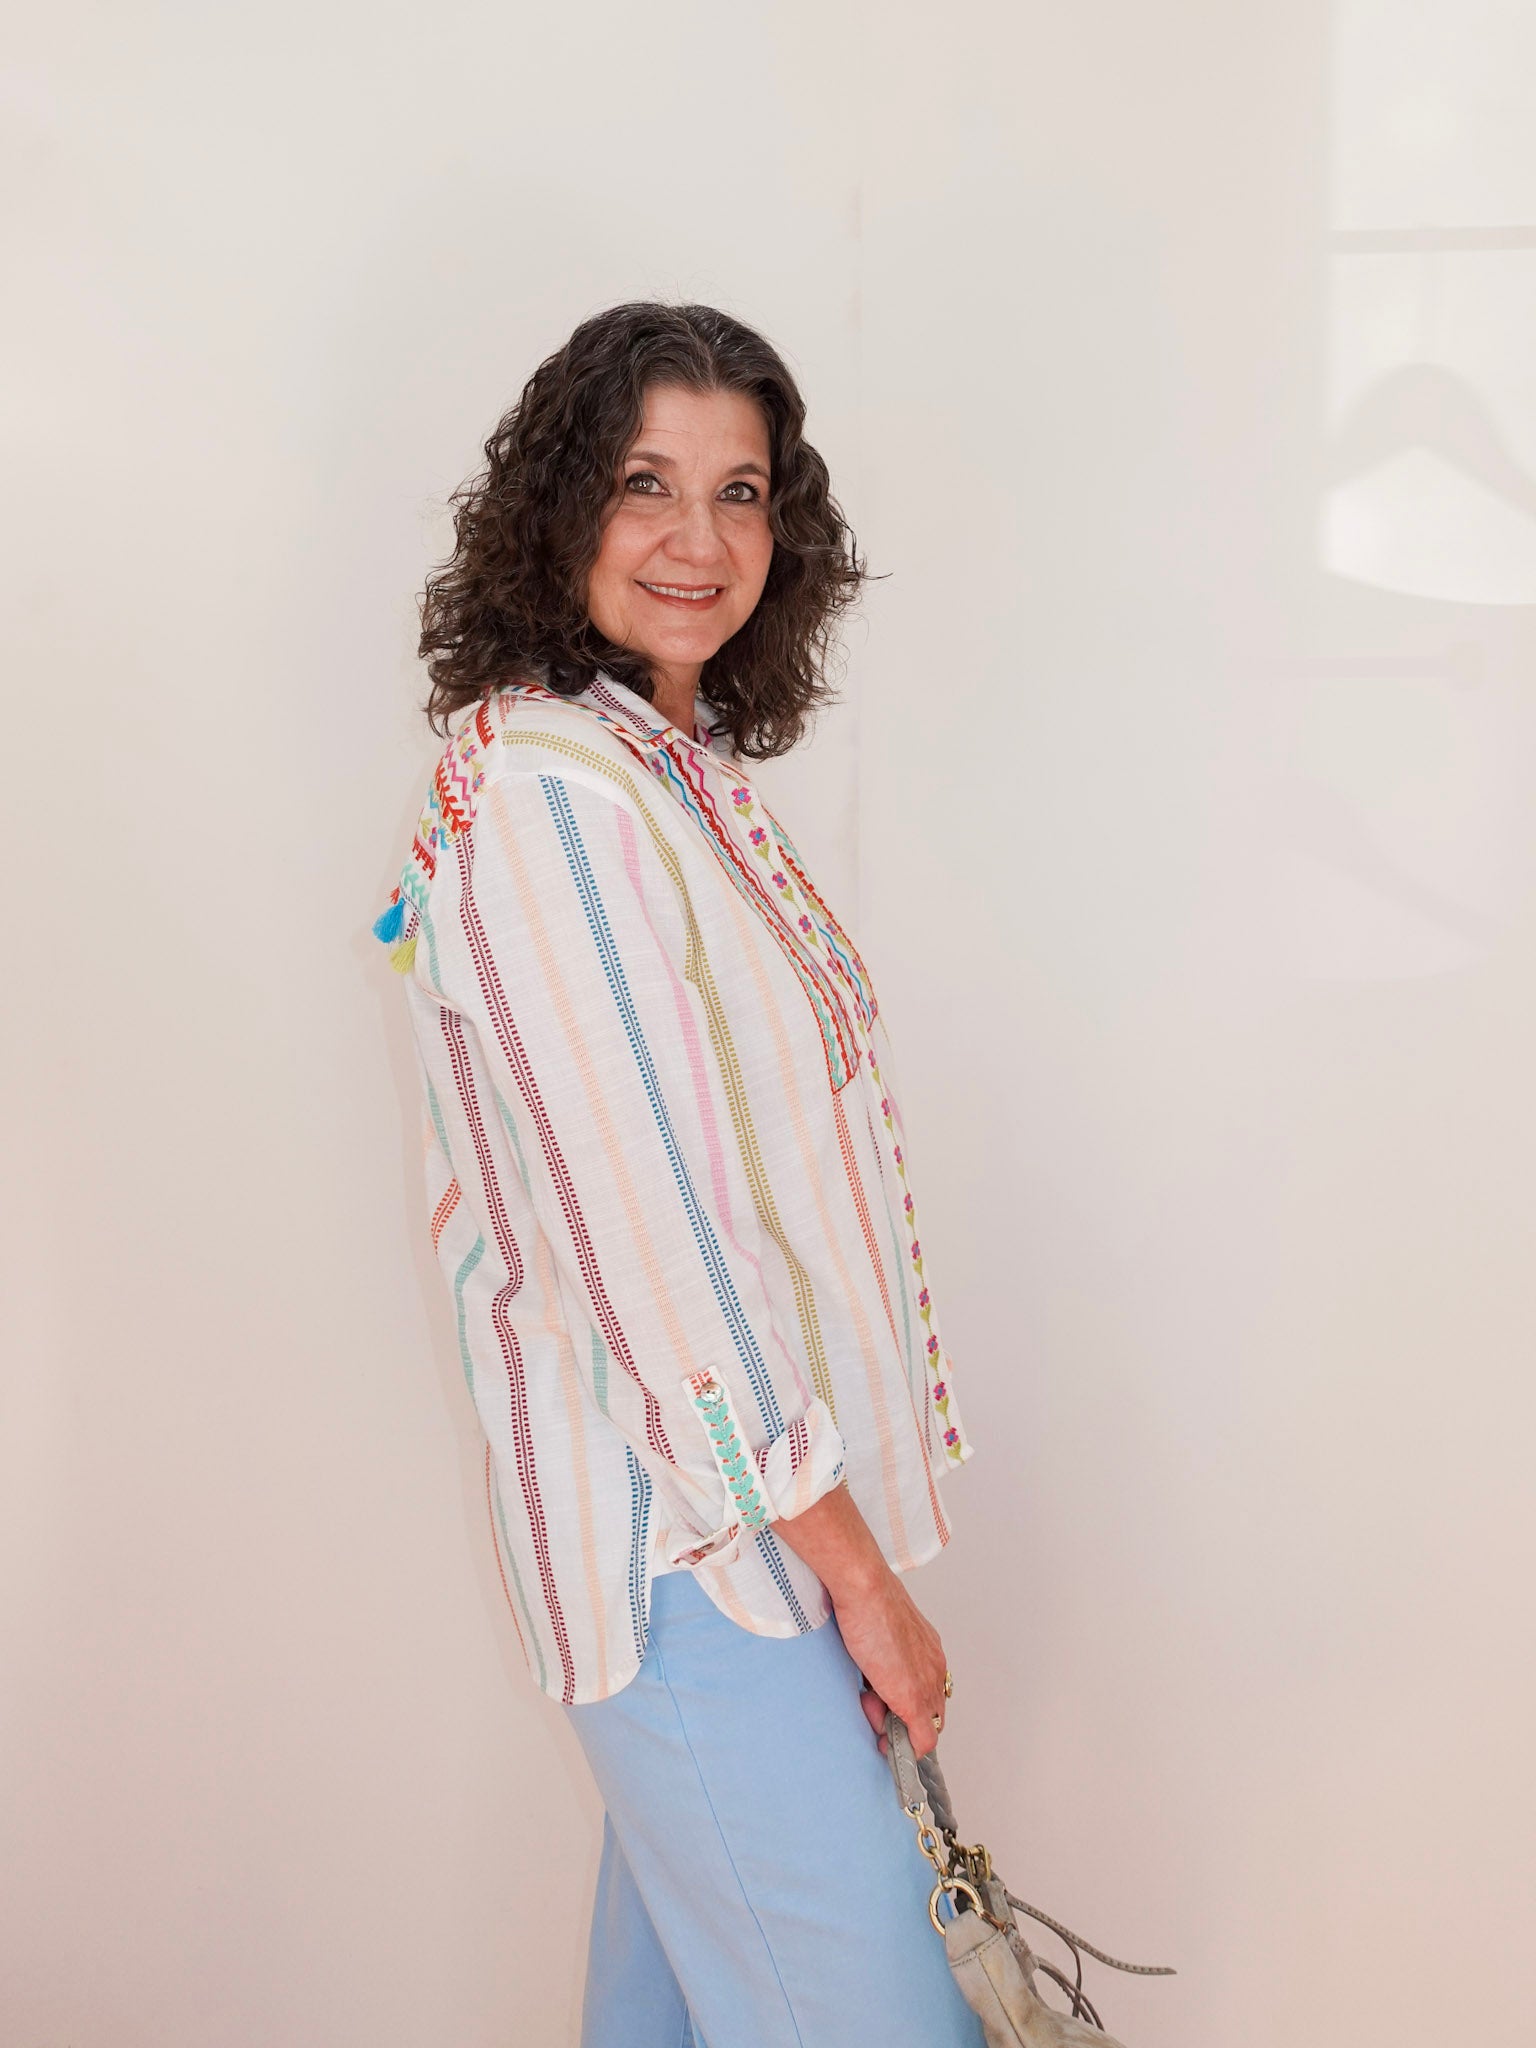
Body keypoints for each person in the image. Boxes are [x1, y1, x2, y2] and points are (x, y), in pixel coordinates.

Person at [373, 301, 981, 2048]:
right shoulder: (551, 803)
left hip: (741, 1528)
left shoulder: (664, 773)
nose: (697, 540)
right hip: (695, 1554)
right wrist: (860, 1579)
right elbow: (653, 1254)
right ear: (562, 506)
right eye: (645, 483)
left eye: (741, 491)